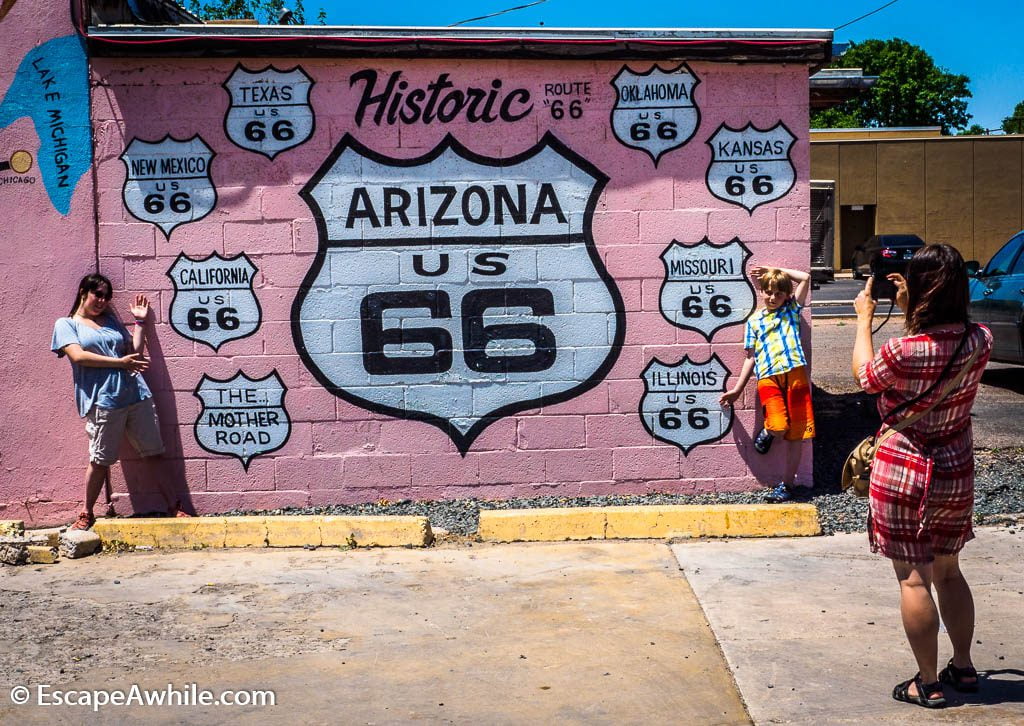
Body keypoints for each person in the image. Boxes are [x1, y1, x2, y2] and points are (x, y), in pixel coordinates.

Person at [851, 244, 992, 709]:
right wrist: (918, 306)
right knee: (949, 573)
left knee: (914, 579)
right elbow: (944, 341)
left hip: (903, 469)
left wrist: (864, 318)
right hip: (955, 468)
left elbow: (866, 377)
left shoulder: (901, 350)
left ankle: (928, 682)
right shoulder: (981, 341)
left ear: (919, 288)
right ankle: (965, 668)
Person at [52, 273, 188, 530]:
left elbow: (134, 355)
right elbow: (78, 357)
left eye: (106, 296)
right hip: (104, 401)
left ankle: (174, 506)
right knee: (100, 460)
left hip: (137, 396)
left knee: (154, 454)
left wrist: (139, 321)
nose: (102, 300)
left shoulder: (111, 321)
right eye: (97, 294)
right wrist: (119, 363)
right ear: (83, 291)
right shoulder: (67, 324)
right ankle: (87, 513)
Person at [720, 265, 814, 502]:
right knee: (778, 426)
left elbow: (805, 277)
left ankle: (787, 485)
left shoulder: (792, 310)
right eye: (768, 292)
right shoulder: (754, 321)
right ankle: (769, 432)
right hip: (769, 378)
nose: (773, 298)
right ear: (761, 291)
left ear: (786, 296)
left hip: (795, 375)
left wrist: (774, 269)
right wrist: (738, 389)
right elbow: (750, 357)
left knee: (796, 435)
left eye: (778, 294)